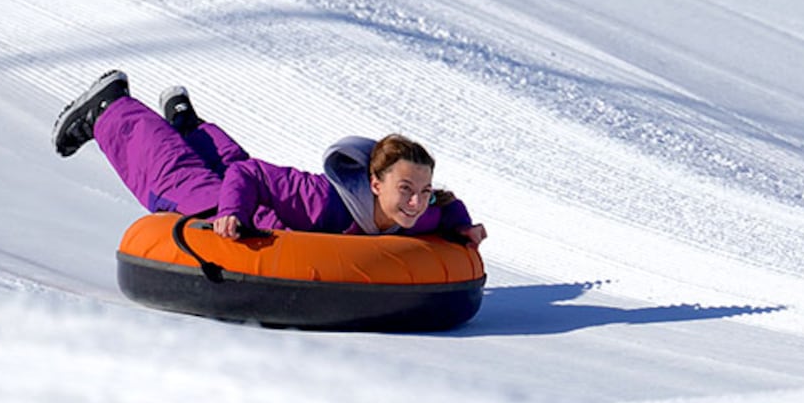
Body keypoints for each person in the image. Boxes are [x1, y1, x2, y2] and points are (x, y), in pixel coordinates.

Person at [52, 70, 487, 245]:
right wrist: (231, 212)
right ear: (375, 184)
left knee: (220, 164)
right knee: (181, 184)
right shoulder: (324, 200)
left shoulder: (419, 213)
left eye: (422, 191)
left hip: (261, 208)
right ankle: (110, 110)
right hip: (248, 204)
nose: (415, 201)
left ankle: (186, 124)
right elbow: (248, 174)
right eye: (406, 189)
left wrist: (464, 227)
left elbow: (445, 206)